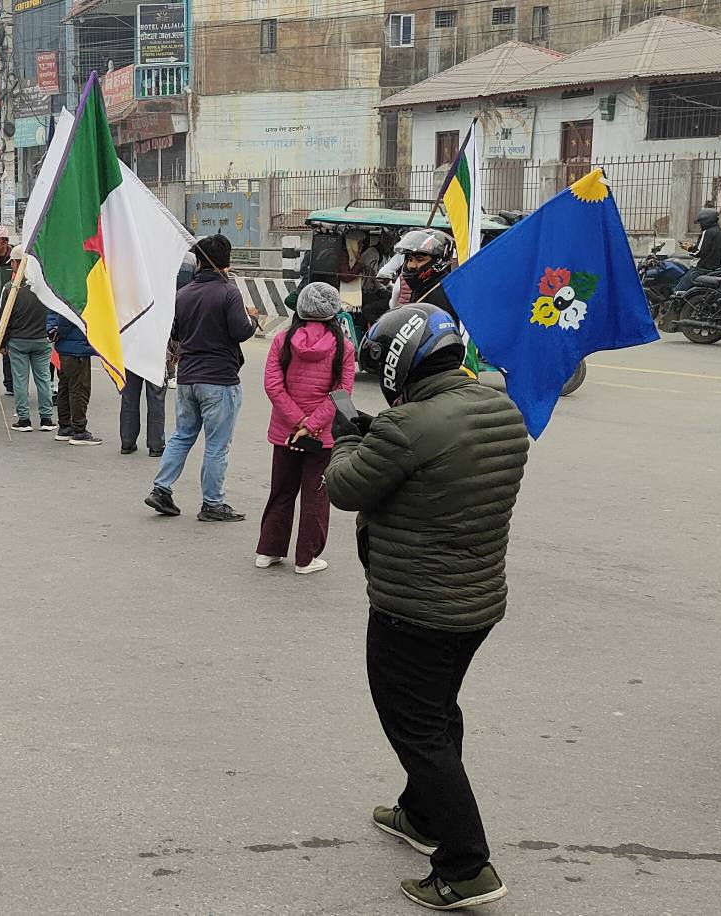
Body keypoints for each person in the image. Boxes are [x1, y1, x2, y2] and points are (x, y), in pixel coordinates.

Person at [326, 303, 527, 911]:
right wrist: (374, 439)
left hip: (413, 607)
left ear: (397, 365)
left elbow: (344, 488)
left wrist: (343, 438)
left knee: (416, 730)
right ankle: (420, 814)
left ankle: (467, 865)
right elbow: (428, 474)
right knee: (438, 711)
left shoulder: (405, 427)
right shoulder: (501, 408)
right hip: (476, 602)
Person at [148, 234, 255, 522]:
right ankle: (213, 503)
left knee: (182, 435)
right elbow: (240, 331)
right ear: (227, 263)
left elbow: (176, 334)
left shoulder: (183, 294)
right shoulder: (228, 292)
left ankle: (161, 488)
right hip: (219, 379)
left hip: (187, 377)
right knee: (217, 445)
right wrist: (253, 319)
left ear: (198, 263)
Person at [256, 282, 355, 575]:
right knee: (315, 495)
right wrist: (311, 425)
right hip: (321, 436)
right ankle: (305, 558)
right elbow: (342, 392)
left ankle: (268, 550)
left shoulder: (282, 340)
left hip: (285, 432)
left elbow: (273, 386)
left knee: (281, 490)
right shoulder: (344, 348)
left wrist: (297, 422)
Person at [2, 276, 55, 433]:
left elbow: (4, 316)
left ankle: (24, 419)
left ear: (15, 263)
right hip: (41, 338)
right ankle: (46, 418)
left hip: (18, 339)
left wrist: (2, 342)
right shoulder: (45, 284)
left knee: (20, 380)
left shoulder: (12, 287)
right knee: (44, 378)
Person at [46, 306, 103, 446]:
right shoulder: (74, 293)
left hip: (65, 347)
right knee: (79, 390)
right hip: (77, 347)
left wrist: (57, 332)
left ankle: (65, 427)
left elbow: (54, 314)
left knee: (65, 388)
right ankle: (79, 430)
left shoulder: (59, 292)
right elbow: (67, 317)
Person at [673, 207, 721, 296]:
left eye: (701, 223)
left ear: (706, 221)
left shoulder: (707, 232)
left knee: (677, 292)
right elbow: (710, 249)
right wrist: (693, 246)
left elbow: (699, 252)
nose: (700, 225)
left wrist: (688, 248)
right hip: (714, 269)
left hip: (700, 268)